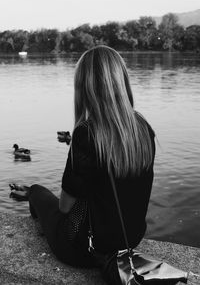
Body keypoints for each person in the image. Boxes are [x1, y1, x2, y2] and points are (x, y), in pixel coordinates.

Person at [9, 45, 155, 269]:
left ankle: (31, 206)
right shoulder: (144, 129)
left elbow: (66, 207)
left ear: (84, 87)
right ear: (122, 82)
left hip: (85, 249)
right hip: (130, 240)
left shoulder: (87, 134)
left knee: (37, 192)